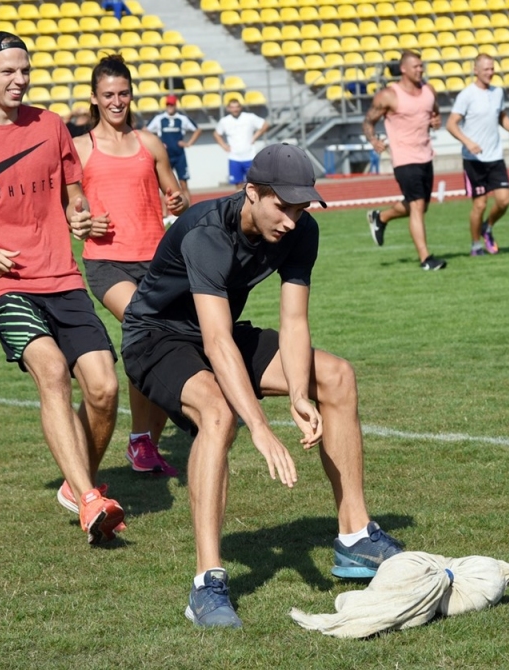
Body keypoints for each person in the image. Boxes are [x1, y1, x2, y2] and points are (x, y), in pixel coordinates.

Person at [124, 143, 405, 628]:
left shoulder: (301, 232)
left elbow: (294, 320)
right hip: (157, 337)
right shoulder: (208, 233)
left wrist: (298, 393)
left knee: (335, 376)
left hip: (220, 331)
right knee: (220, 414)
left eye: (300, 207)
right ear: (252, 192)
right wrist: (258, 425)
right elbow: (215, 342)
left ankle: (355, 537)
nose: (292, 220)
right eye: (282, 205)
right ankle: (206, 585)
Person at [0, 31, 125, 545]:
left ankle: (75, 482)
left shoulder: (51, 125)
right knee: (53, 371)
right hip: (3, 284)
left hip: (62, 275)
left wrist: (80, 219)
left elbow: (73, 197)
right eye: (9, 71)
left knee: (103, 388)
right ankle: (87, 499)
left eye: (26, 70)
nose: (20, 80)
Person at [73, 54, 188, 478]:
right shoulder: (80, 148)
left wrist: (178, 202)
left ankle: (144, 442)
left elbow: (177, 197)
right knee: (146, 323)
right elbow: (64, 210)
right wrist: (83, 222)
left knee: (156, 342)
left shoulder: (150, 143)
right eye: (108, 95)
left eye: (123, 94)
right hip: (106, 263)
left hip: (155, 260)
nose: (117, 101)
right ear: (94, 98)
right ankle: (151, 431)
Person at [362, 51, 447, 271]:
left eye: (421, 66)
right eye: (416, 66)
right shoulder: (389, 95)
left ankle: (381, 218)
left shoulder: (429, 91)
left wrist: (436, 120)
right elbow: (368, 121)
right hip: (404, 159)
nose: (420, 69)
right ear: (403, 69)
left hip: (426, 155)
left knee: (420, 206)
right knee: (417, 206)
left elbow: (434, 113)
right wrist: (373, 140)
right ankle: (426, 259)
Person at [446, 54, 509, 257]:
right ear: (476, 70)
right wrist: (468, 142)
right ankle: (475, 245)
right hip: (473, 160)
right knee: (480, 204)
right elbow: (451, 123)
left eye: (492, 69)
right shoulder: (466, 95)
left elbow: (501, 117)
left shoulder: (498, 92)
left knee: (504, 201)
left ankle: (487, 226)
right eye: (486, 69)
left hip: (495, 157)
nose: (490, 72)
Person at [147, 94, 201, 209]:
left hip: (180, 155)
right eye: (168, 104)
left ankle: (188, 211)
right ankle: (165, 214)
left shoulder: (182, 118)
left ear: (175, 105)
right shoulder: (159, 118)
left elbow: (197, 130)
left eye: (172, 104)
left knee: (183, 184)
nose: (170, 107)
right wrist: (157, 143)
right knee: (164, 186)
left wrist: (188, 143)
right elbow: (145, 130)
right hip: (164, 156)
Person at [213, 98, 270, 187]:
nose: (235, 109)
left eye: (237, 107)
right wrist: (224, 146)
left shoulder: (249, 117)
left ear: (240, 107)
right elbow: (216, 134)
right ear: (228, 108)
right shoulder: (224, 121)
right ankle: (241, 201)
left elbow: (265, 125)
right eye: (232, 107)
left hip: (249, 156)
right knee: (238, 185)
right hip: (234, 157)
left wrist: (255, 137)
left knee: (253, 184)